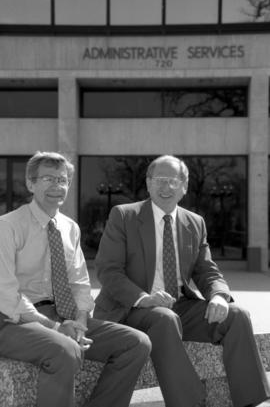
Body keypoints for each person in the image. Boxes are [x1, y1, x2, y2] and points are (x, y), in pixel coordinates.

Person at [94, 154, 270, 407]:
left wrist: (218, 296)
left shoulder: (194, 222)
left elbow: (207, 270)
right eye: (160, 180)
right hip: (130, 308)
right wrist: (144, 299)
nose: (166, 187)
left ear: (184, 187)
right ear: (148, 183)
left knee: (237, 315)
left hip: (179, 306)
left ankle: (250, 401)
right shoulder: (124, 216)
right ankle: (188, 403)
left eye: (173, 181)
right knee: (164, 318)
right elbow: (108, 270)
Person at [0, 151, 151, 407]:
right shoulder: (8, 226)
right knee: (65, 349)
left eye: (63, 180)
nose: (57, 186)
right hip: (12, 321)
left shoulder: (70, 227)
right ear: (30, 183)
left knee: (136, 343)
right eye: (48, 179)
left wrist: (80, 322)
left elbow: (79, 281)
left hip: (63, 316)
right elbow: (5, 292)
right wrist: (56, 328)